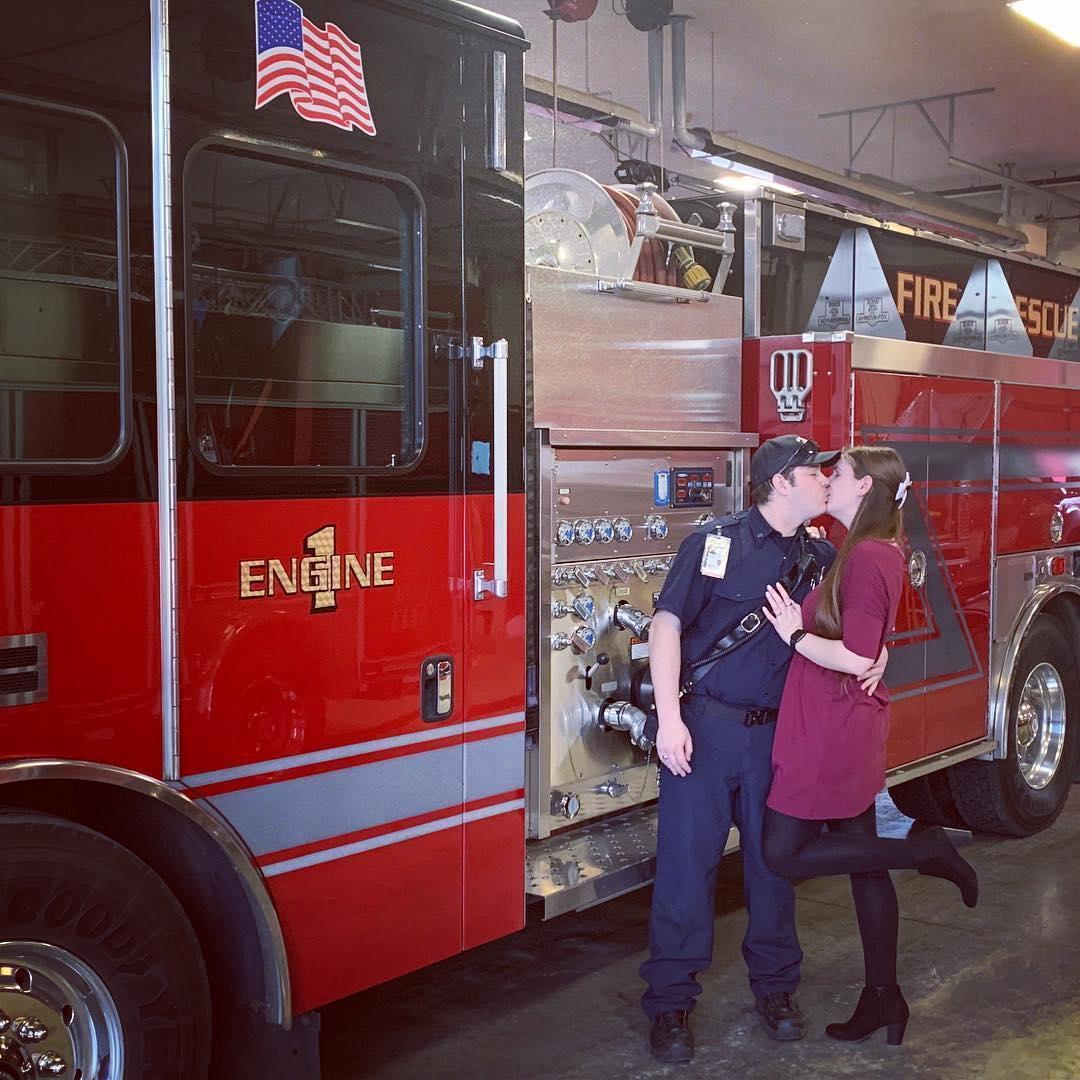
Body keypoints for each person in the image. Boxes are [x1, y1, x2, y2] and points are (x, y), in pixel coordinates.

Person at [639, 434, 889, 1065]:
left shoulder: (827, 555)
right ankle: (670, 1004)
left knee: (773, 868)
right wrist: (669, 719)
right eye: (815, 472)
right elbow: (665, 624)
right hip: (704, 730)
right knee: (685, 871)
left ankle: (777, 991)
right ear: (780, 482)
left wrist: (878, 655)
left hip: (778, 739)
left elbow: (856, 625)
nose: (826, 480)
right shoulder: (715, 544)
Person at [761, 445, 979, 1049]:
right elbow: (870, 647)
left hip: (830, 731)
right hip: (840, 721)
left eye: (842, 474)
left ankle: (925, 851)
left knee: (782, 853)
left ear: (866, 491)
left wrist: (794, 633)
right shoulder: (864, 551)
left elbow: (855, 655)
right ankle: (883, 997)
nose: (831, 479)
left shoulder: (867, 558)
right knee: (862, 862)